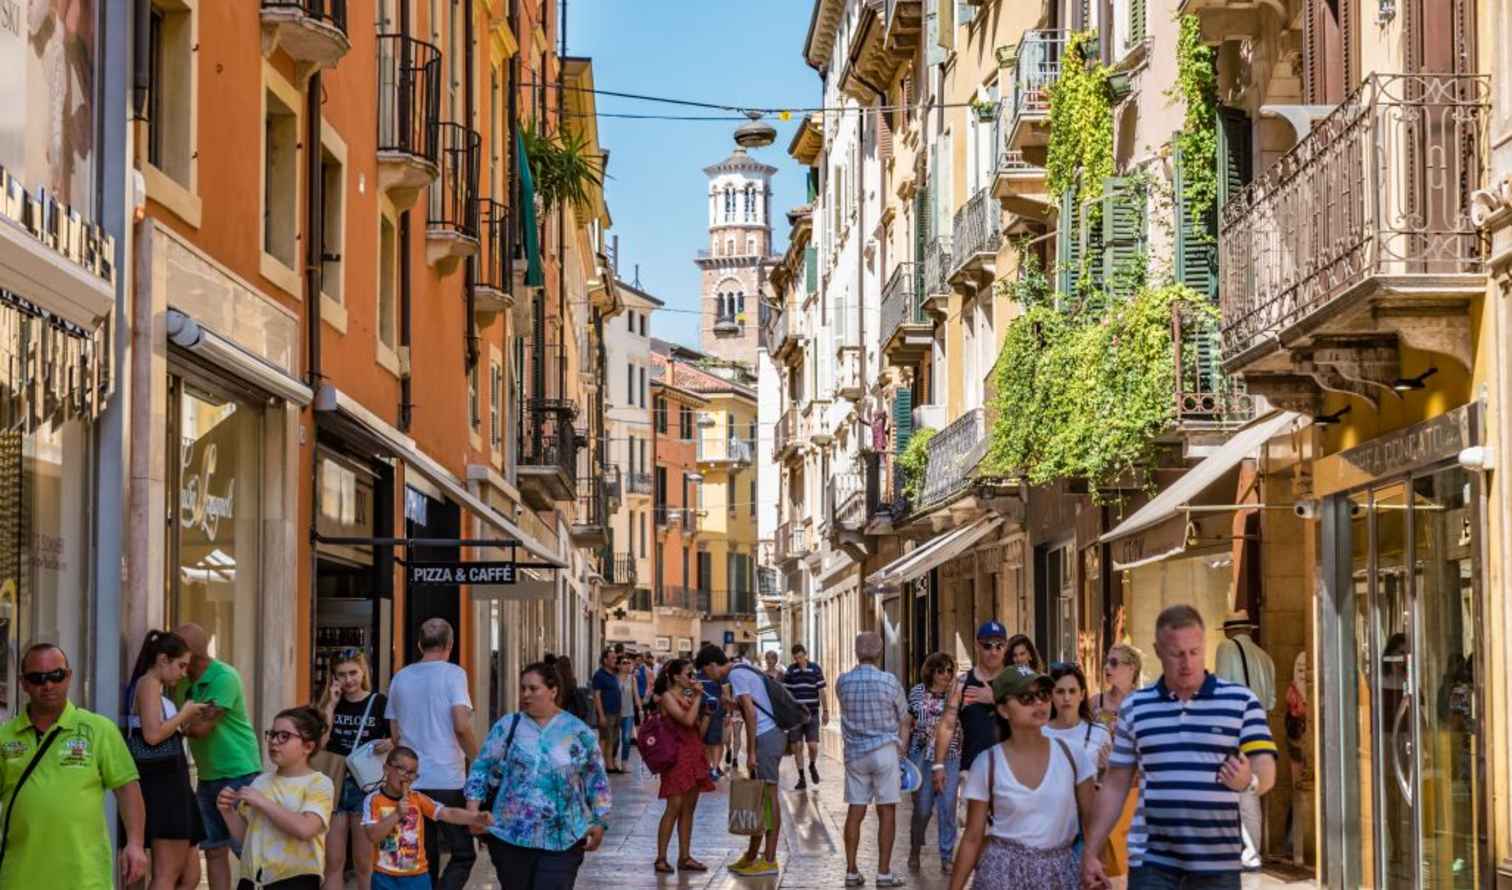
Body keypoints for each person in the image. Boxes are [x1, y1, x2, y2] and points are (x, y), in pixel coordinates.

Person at [1082, 605, 1278, 890]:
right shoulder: (1136, 708)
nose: (1187, 663)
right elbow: (1115, 783)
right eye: (1176, 654)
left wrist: (1249, 781)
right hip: (1152, 863)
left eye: (1194, 652)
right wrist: (1091, 850)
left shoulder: (1241, 701)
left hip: (1216, 864)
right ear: (1158, 651)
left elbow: (1267, 769)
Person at [0, 643, 148, 889]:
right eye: (37, 678)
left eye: (56, 676)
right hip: (20, 877)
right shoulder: (5, 738)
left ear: (68, 676)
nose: (48, 685)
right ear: (23, 683)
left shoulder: (99, 730)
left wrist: (135, 843)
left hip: (84, 878)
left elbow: (127, 788)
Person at [947, 665, 1097, 890]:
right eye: (1026, 698)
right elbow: (972, 837)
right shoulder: (987, 764)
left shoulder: (1074, 756)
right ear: (1003, 710)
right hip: (1002, 874)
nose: (1039, 703)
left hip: (1061, 874)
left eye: (1043, 695)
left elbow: (1091, 823)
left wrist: (1093, 862)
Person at [465, 661, 611, 890]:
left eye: (533, 689)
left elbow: (597, 778)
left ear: (553, 691)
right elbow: (481, 768)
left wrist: (599, 819)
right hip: (510, 836)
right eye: (523, 688)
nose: (526, 695)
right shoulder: (507, 726)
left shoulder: (577, 731)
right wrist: (473, 811)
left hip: (564, 837)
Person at [385, 618, 480, 890]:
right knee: (462, 853)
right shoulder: (454, 674)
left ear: (419, 644)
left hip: (410, 782)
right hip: (447, 777)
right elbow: (461, 725)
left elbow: (394, 733)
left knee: (424, 854)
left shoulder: (400, 677)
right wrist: (478, 759)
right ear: (450, 645)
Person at [174, 622, 263, 890]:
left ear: (190, 654)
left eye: (175, 652)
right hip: (208, 775)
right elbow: (189, 723)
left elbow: (201, 728)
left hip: (239, 772)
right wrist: (183, 722)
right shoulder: (182, 681)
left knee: (245, 850)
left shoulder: (224, 677)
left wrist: (174, 725)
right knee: (213, 849)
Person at [216, 706, 336, 890]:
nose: (274, 742)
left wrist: (262, 802)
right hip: (252, 880)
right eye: (272, 734)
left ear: (308, 746)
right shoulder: (260, 782)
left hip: (295, 880)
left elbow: (305, 829)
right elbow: (247, 837)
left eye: (284, 736)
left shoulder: (319, 783)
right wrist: (227, 812)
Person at [126, 630, 208, 890]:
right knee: (166, 875)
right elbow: (152, 735)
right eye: (181, 665)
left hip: (173, 783)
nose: (184, 673)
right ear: (163, 660)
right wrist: (185, 714)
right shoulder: (149, 683)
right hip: (164, 786)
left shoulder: (155, 687)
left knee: (190, 875)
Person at [694, 644, 784, 877]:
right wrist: (731, 705)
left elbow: (752, 714)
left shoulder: (736, 674)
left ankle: (770, 859)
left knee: (769, 795)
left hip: (765, 736)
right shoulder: (741, 670)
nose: (708, 677)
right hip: (766, 734)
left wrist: (752, 751)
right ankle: (752, 856)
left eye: (706, 671)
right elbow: (751, 706)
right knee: (761, 796)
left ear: (713, 665)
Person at [834, 632, 911, 888]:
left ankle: (852, 870)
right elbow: (904, 718)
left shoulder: (843, 682)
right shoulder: (889, 681)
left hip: (855, 752)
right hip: (884, 750)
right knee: (886, 810)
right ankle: (884, 872)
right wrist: (902, 750)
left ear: (857, 652)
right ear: (879, 653)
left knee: (855, 811)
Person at [361, 746, 492, 890]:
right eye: (401, 769)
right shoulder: (373, 800)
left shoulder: (417, 799)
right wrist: (396, 814)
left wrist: (474, 817)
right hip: (385, 878)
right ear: (386, 769)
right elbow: (373, 835)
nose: (406, 776)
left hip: (417, 877)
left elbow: (447, 813)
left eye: (412, 773)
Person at [317, 650, 393, 890]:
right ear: (333, 677)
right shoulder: (329, 704)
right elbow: (320, 742)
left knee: (365, 862)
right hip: (334, 782)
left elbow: (397, 738)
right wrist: (331, 704)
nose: (348, 680)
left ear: (363, 672)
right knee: (333, 862)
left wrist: (391, 743)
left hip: (366, 785)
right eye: (341, 674)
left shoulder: (379, 702)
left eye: (353, 673)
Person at [1214, 610, 1277, 889]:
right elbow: (1272, 700)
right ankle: (1252, 851)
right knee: (1250, 790)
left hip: (1234, 728)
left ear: (1228, 631)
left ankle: (1248, 853)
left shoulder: (1226, 648)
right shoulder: (1265, 657)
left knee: (1236, 791)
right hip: (1260, 728)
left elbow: (1220, 689)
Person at [651, 659, 715, 873]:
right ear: (676, 677)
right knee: (674, 807)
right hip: (676, 757)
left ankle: (685, 856)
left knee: (689, 808)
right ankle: (661, 857)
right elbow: (686, 722)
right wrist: (697, 697)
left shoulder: (688, 697)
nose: (693, 677)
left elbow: (697, 731)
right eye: (689, 674)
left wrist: (707, 715)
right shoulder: (668, 698)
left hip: (694, 754)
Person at [933, 621, 1011, 794]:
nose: (994, 651)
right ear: (977, 645)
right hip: (972, 770)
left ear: (1006, 647)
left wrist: (994, 699)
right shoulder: (961, 683)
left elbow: (1030, 719)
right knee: (971, 821)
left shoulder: (1014, 681)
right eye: (987, 646)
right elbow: (947, 725)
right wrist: (938, 764)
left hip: (1010, 770)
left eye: (999, 646)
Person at [1090, 643, 1144, 890]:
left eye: (1114, 663)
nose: (1106, 668)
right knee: (1104, 862)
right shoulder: (1094, 703)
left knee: (1130, 860)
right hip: (1101, 788)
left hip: (1134, 792)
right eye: (1106, 662)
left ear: (1131, 668)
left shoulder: (1144, 705)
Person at [906, 652, 961, 874]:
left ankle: (947, 856)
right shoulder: (917, 692)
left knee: (948, 807)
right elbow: (908, 721)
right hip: (921, 756)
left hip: (951, 755)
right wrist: (901, 752)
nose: (946, 675)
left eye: (950, 670)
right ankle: (915, 849)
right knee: (923, 809)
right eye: (941, 670)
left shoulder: (957, 693)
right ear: (932, 672)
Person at [782, 642, 829, 790]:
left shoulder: (815, 669)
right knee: (797, 746)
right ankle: (801, 777)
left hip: (812, 713)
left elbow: (821, 691)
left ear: (805, 655)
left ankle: (812, 765)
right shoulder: (790, 671)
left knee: (813, 746)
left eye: (801, 657)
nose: (799, 660)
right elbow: (787, 693)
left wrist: (826, 711)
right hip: (796, 716)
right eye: (796, 658)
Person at [1043, 662, 1112, 761]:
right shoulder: (1039, 733)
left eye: (1072, 691)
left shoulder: (1100, 734)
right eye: (1060, 691)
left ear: (1082, 695)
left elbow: (1111, 774)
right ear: (1051, 696)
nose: (1066, 698)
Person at [591, 649, 624, 773]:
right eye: (613, 658)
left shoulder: (613, 675)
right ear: (605, 660)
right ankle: (607, 765)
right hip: (607, 712)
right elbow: (597, 696)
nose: (615, 660)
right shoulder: (599, 675)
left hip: (616, 711)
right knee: (607, 738)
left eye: (616, 658)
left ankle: (610, 762)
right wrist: (601, 715)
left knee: (614, 739)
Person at [696, 661, 726, 778]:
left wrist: (727, 713)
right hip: (701, 710)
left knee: (715, 740)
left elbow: (725, 694)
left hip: (717, 711)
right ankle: (708, 767)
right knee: (705, 740)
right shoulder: (698, 676)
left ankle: (714, 768)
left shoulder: (719, 677)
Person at [615, 654, 641, 767]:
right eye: (624, 663)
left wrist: (640, 709)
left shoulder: (632, 679)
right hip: (615, 712)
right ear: (619, 665)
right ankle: (612, 761)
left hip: (629, 712)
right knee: (615, 740)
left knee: (626, 739)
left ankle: (624, 762)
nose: (627, 665)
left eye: (628, 663)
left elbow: (636, 695)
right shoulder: (614, 678)